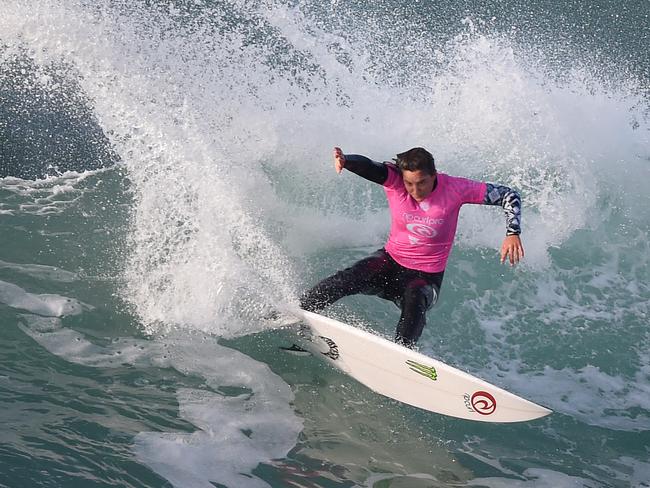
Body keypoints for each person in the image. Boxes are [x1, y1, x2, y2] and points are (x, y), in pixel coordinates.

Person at [299, 146, 524, 348]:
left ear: (433, 176)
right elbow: (370, 167)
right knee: (344, 280)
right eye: (409, 184)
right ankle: (299, 315)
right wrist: (346, 160)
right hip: (389, 262)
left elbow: (508, 195)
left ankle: (402, 357)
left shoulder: (455, 188)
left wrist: (512, 233)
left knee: (415, 302)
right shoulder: (394, 181)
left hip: (425, 277)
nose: (414, 190)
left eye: (421, 183)